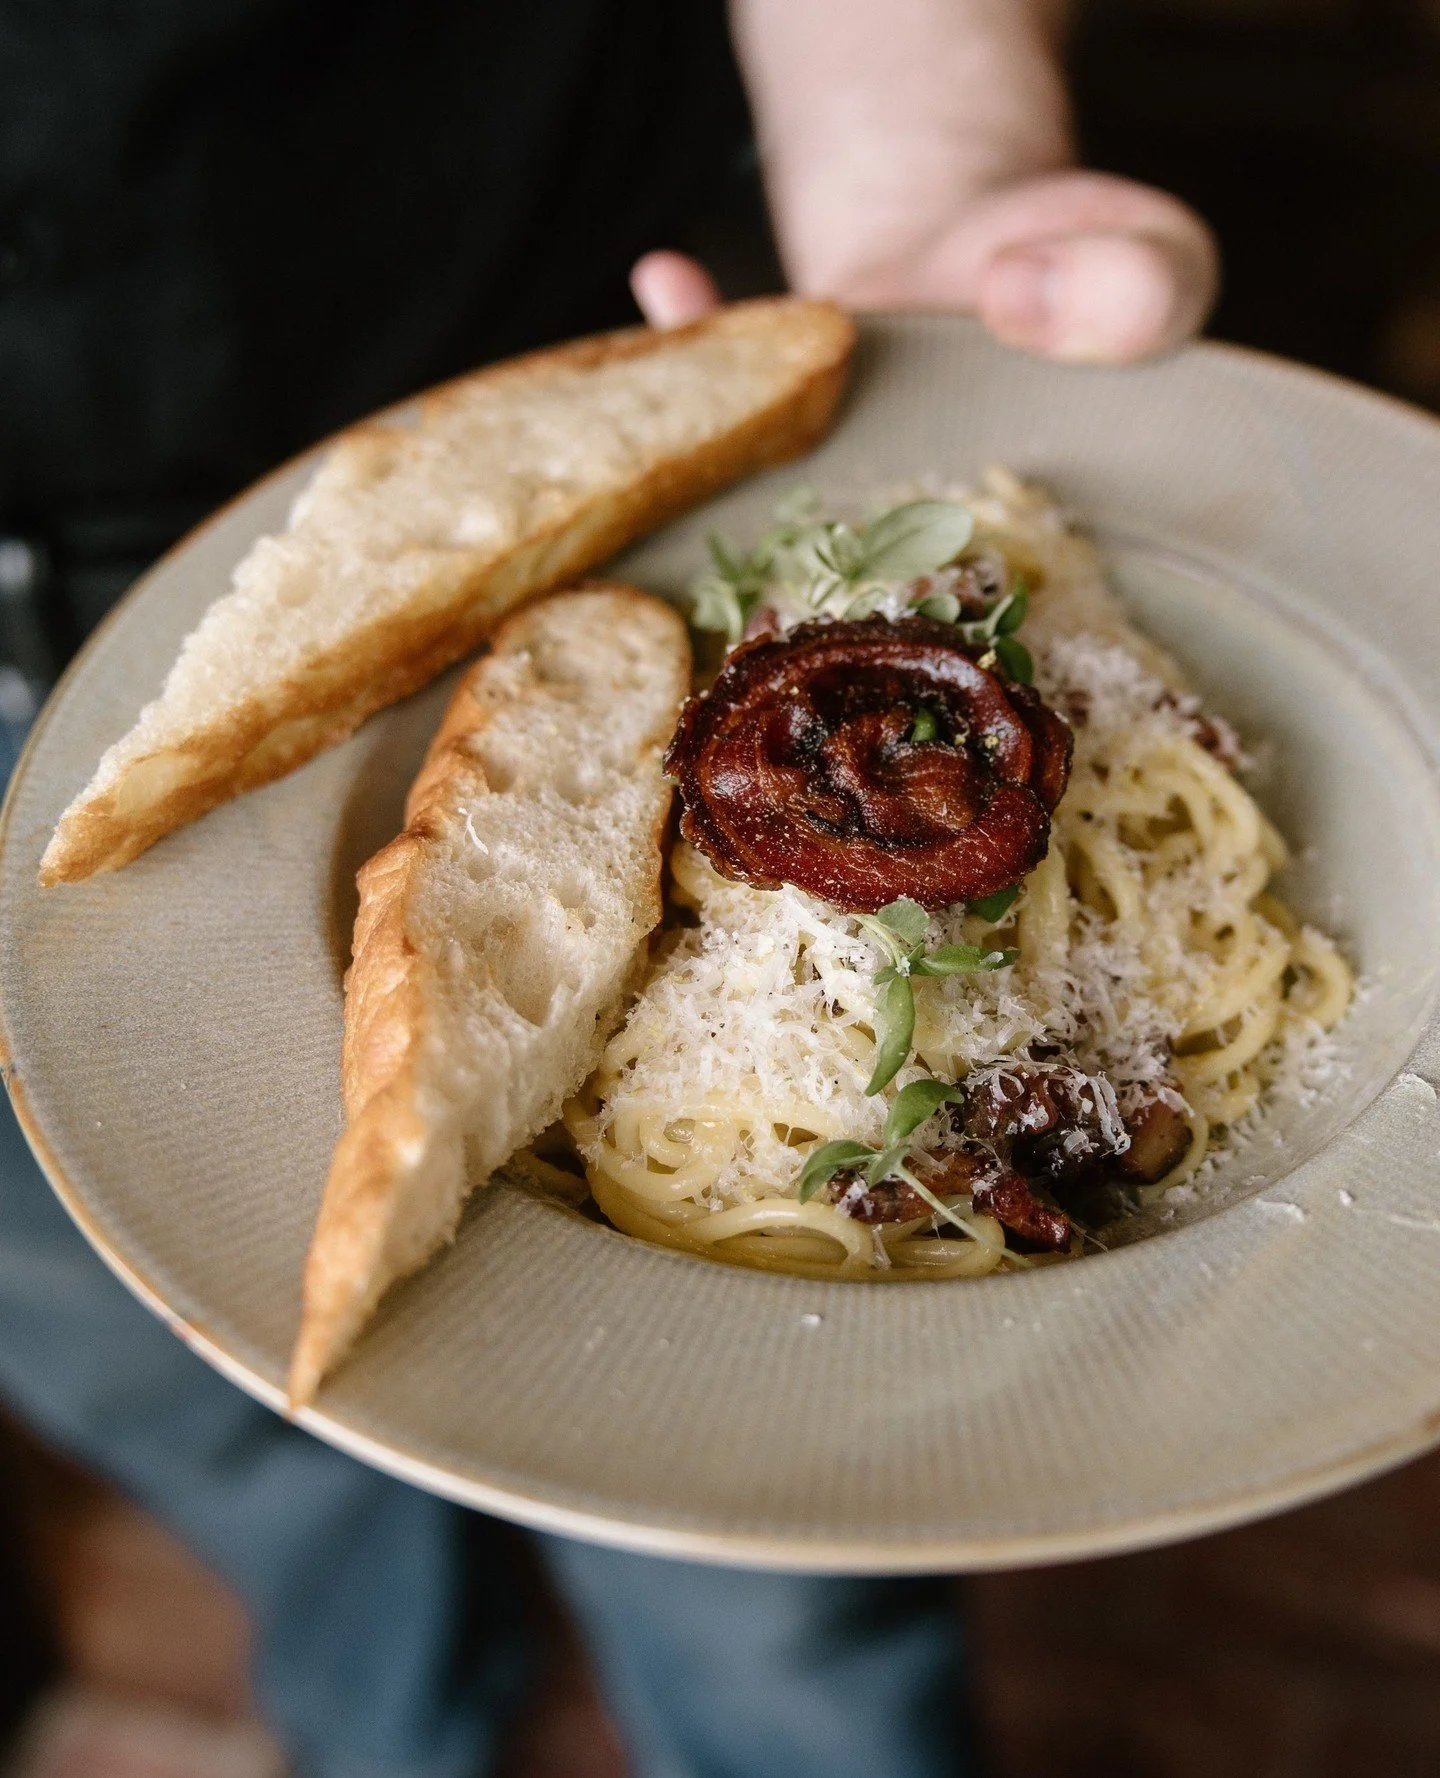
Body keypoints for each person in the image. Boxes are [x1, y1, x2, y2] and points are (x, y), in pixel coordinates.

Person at [0, 4, 1217, 1775]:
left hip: (547, 381)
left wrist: (934, 162)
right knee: (194, 1403)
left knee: (768, 1553)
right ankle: (396, 1722)